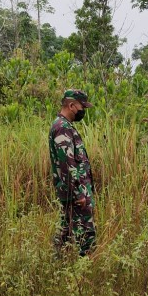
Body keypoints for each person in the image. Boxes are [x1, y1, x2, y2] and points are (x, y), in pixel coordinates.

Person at [49, 89, 96, 256]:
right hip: (75, 192)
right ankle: (87, 268)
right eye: (82, 107)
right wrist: (78, 193)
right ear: (71, 105)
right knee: (86, 234)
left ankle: (56, 264)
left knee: (65, 231)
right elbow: (68, 164)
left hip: (72, 190)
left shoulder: (64, 126)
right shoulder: (62, 128)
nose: (83, 111)